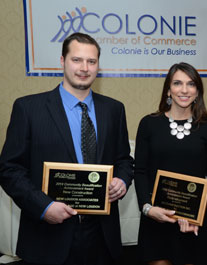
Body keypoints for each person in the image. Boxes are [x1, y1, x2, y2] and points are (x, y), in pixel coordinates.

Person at [0, 32, 134, 265]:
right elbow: (9, 169)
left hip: (101, 236)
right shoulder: (29, 108)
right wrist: (44, 207)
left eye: (91, 61)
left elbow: (124, 159)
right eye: (77, 60)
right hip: (48, 235)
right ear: (62, 61)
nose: (84, 67)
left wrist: (122, 181)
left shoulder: (114, 109)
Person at [133, 62, 207, 265]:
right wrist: (147, 208)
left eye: (191, 84)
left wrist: (195, 212)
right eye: (177, 83)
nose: (184, 90)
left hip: (193, 222)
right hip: (156, 219)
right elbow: (140, 172)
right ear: (168, 90)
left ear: (197, 91)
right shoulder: (149, 124)